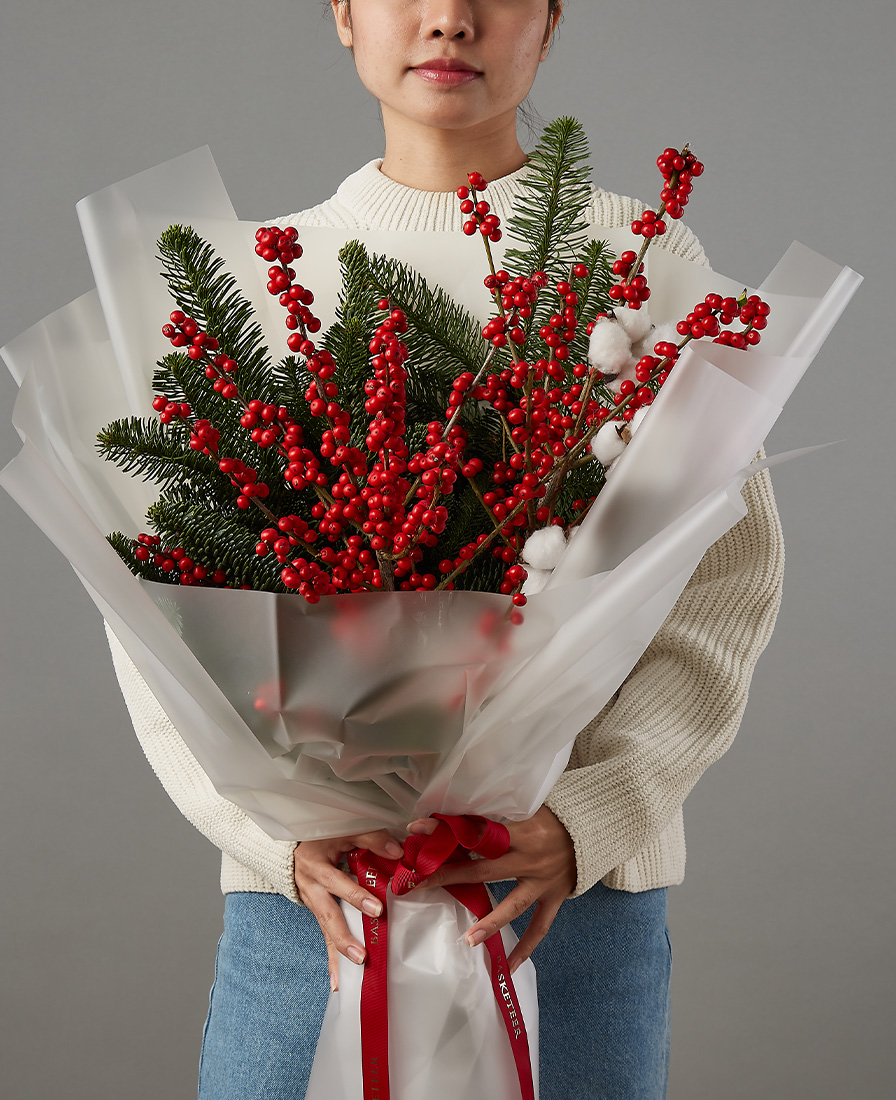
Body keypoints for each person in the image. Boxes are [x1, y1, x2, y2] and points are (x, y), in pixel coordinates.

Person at [107, 2, 784, 1097]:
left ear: (551, 20)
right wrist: (273, 838)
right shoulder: (262, 279)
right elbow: (157, 612)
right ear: (343, 13)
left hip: (565, 897)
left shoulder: (642, 264)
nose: (449, 19)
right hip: (313, 903)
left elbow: (720, 585)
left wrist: (591, 817)